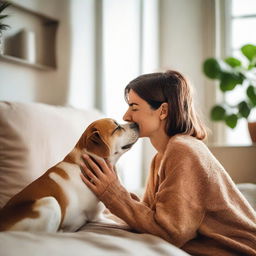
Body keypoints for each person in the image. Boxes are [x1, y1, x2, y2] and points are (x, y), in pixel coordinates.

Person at [80, 70, 256, 256]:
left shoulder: (183, 150)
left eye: (134, 107)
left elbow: (171, 232)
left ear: (163, 111)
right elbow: (148, 215)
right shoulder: (161, 156)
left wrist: (113, 193)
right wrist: (109, 195)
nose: (126, 116)